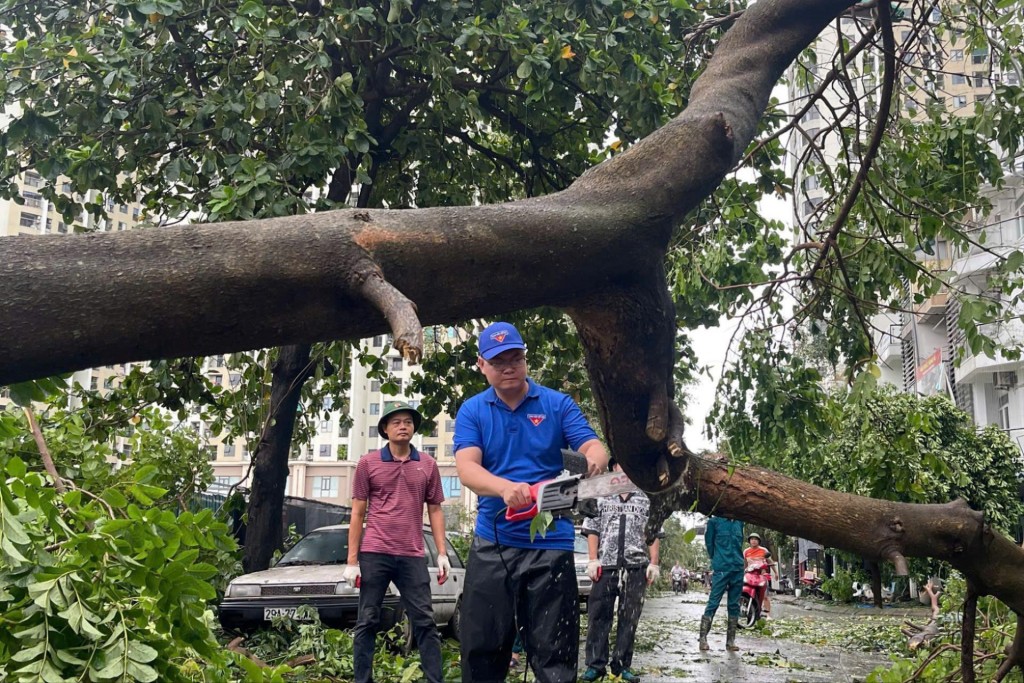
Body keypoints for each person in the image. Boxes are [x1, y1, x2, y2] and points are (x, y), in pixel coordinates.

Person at [454, 321, 609, 683]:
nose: (508, 367)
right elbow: (466, 469)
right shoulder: (473, 410)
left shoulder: (557, 404)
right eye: (498, 361)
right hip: (494, 546)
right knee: (482, 652)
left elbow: (592, 446)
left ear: (526, 358)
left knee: (555, 654)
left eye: (515, 358)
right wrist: (505, 487)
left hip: (551, 546)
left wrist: (594, 461)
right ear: (481, 364)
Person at [343, 401, 450, 683]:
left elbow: (435, 509)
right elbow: (357, 512)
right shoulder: (368, 463)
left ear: (414, 428)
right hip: (375, 552)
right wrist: (352, 561)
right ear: (385, 429)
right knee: (367, 620)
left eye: (408, 421)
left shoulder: (427, 465)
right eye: (396, 422)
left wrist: (442, 553)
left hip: (412, 554)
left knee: (425, 621)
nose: (403, 426)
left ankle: (434, 680)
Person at [579, 459, 660, 683]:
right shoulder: (601, 495)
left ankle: (621, 665)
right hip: (606, 565)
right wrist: (593, 560)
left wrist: (654, 563)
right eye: (619, 467)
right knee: (598, 615)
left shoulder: (645, 497)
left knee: (629, 617)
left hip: (636, 567)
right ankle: (595, 665)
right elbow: (592, 528)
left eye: (628, 467)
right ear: (613, 470)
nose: (623, 471)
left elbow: (652, 531)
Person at [699, 515, 745, 652]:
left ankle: (730, 642)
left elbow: (739, 543)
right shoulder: (714, 522)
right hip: (721, 568)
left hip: (737, 567)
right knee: (713, 603)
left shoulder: (739, 522)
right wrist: (717, 560)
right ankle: (702, 639)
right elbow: (709, 544)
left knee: (734, 605)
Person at [743, 532, 775, 618]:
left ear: (758, 541)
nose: (753, 541)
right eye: (752, 539)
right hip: (750, 575)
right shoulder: (746, 551)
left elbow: (770, 561)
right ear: (749, 541)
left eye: (755, 539)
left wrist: (775, 573)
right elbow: (745, 564)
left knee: (765, 595)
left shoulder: (764, 550)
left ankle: (768, 614)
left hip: (762, 575)